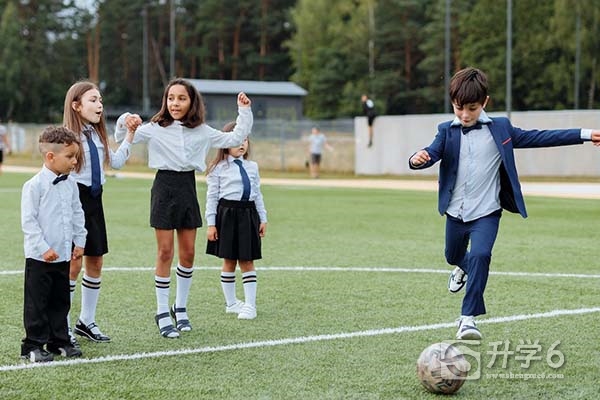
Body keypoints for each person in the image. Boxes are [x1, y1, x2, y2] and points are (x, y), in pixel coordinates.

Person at [408, 67, 600, 340]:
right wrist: (419, 157)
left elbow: (542, 137)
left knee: (481, 255)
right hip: (455, 212)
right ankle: (462, 268)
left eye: (472, 108)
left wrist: (584, 133)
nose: (464, 115)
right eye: (458, 108)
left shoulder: (501, 129)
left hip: (487, 212)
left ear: (485, 102)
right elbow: (431, 152)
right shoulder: (446, 131)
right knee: (453, 256)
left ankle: (468, 319)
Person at [114, 78, 253, 338]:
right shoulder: (154, 128)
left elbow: (234, 137)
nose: (175, 103)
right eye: (171, 98)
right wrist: (126, 120)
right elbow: (124, 136)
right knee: (165, 252)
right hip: (164, 188)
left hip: (187, 188)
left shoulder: (201, 131)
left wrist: (244, 112)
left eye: (181, 98)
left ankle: (180, 307)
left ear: (192, 102)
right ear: (165, 101)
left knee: (188, 253)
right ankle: (161, 311)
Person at [63, 80, 136, 345]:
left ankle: (86, 321)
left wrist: (129, 135)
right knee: (73, 263)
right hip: (74, 201)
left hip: (95, 201)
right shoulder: (67, 137)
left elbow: (115, 162)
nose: (99, 105)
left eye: (101, 100)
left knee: (96, 262)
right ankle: (63, 325)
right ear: (76, 105)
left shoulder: (96, 134)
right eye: (93, 100)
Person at [21, 126, 87, 362]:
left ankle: (59, 341)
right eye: (70, 157)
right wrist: (43, 248)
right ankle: (33, 345)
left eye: (76, 157)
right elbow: (29, 223)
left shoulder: (70, 184)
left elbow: (77, 213)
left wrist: (80, 242)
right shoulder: (34, 186)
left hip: (63, 256)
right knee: (37, 304)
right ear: (51, 156)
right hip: (40, 258)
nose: (74, 162)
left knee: (61, 301)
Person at [205, 122, 267, 320]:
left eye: (245, 139)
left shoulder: (252, 167)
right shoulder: (218, 168)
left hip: (248, 215)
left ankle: (250, 305)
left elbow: (257, 194)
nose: (241, 144)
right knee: (229, 260)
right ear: (225, 142)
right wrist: (211, 223)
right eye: (236, 140)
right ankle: (231, 303)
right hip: (226, 215)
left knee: (247, 260)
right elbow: (212, 197)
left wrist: (262, 218)